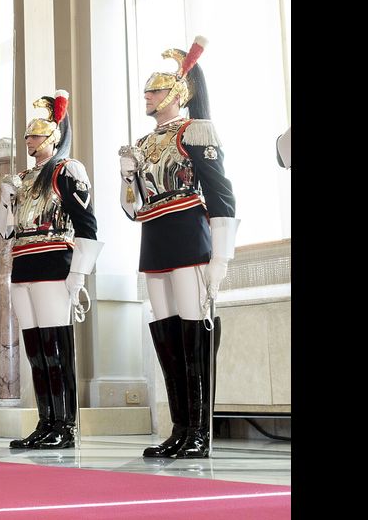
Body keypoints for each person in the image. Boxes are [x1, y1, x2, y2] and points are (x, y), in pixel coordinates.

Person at [118, 37, 238, 458]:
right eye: (147, 91)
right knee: (166, 333)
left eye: (154, 90)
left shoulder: (196, 130)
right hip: (154, 236)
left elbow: (221, 195)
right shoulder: (141, 144)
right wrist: (126, 177)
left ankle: (200, 431)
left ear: (176, 94)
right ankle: (180, 427)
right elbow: (133, 209)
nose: (147, 96)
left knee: (192, 330)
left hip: (188, 233)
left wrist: (220, 256)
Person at [0, 92, 103, 449]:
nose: (29, 140)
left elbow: (86, 223)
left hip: (54, 261)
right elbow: (6, 232)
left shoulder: (66, 170)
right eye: (27, 135)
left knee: (56, 347)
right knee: (35, 350)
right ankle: (45, 421)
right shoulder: (22, 178)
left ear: (53, 137)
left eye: (36, 135)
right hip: (23, 264)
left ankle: (65, 424)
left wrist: (79, 272)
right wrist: (6, 199)